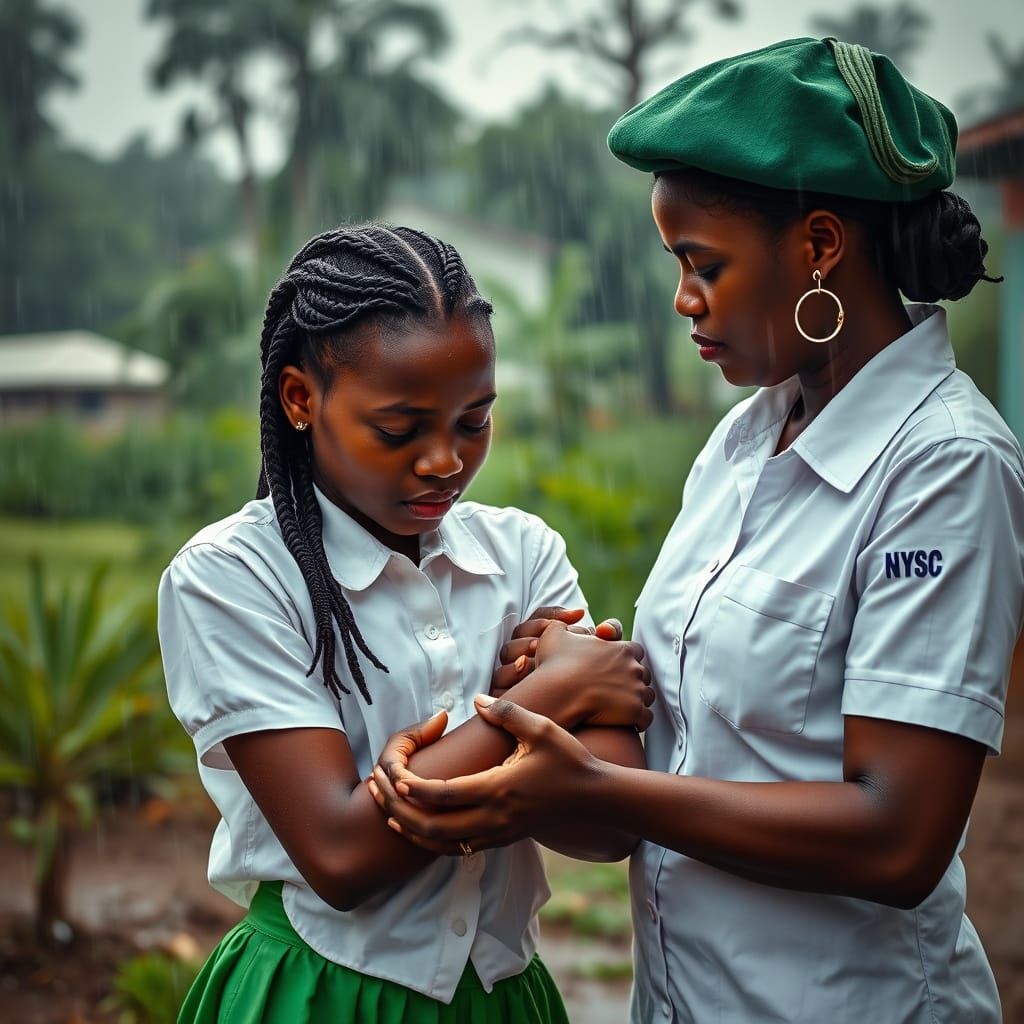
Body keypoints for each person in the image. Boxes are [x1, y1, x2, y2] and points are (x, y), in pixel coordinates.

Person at [368, 38, 1024, 1023]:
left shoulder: (943, 465)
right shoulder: (742, 440)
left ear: (816, 246)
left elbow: (896, 837)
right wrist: (577, 688)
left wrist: (594, 787)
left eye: (701, 263)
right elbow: (696, 740)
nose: (683, 299)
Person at [156, 224, 654, 1023]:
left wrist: (422, 790)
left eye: (474, 420)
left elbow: (610, 820)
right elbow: (342, 855)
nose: (444, 461)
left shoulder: (522, 553)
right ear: (299, 399)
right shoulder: (234, 578)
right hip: (318, 993)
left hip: (504, 998)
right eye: (400, 429)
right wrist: (553, 697)